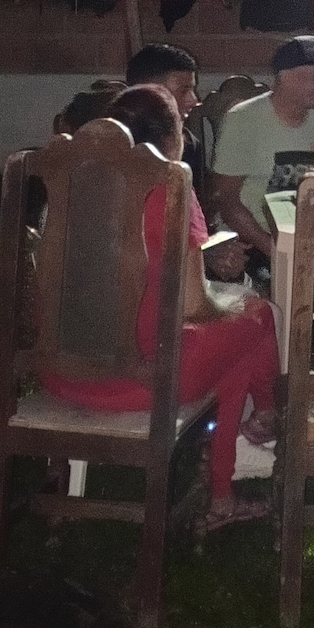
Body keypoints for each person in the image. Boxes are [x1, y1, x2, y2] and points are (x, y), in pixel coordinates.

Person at [41, 85, 280, 528]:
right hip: (139, 379)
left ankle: (226, 487)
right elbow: (192, 304)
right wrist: (232, 307)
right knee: (256, 318)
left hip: (61, 373)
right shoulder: (171, 185)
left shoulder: (71, 182)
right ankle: (257, 434)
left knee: (238, 340)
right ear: (173, 137)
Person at [206, 35, 314, 266]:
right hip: (251, 242)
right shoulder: (242, 120)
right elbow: (227, 202)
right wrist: (273, 248)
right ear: (286, 77)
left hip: (307, 238)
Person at [126, 43, 204, 192]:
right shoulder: (108, 140)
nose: (193, 100)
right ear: (148, 92)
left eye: (193, 89)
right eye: (183, 91)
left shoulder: (189, 145)